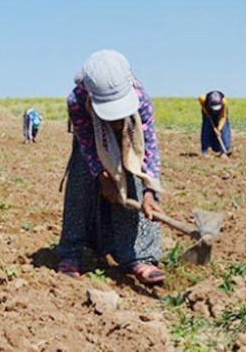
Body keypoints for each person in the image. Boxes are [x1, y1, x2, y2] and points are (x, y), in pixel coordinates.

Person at [57, 50, 165, 285]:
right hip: (92, 139)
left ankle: (139, 256)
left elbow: (149, 148)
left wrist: (150, 191)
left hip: (128, 137)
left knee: (134, 180)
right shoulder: (77, 101)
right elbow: (86, 143)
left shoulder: (141, 98)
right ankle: (71, 253)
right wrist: (101, 175)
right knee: (80, 184)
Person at [199, 90, 231, 157]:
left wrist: (218, 129)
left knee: (224, 130)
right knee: (207, 128)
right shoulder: (203, 99)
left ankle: (223, 151)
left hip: (221, 114)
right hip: (208, 112)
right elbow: (200, 101)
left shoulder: (224, 102)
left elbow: (223, 117)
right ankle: (205, 151)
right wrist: (206, 111)